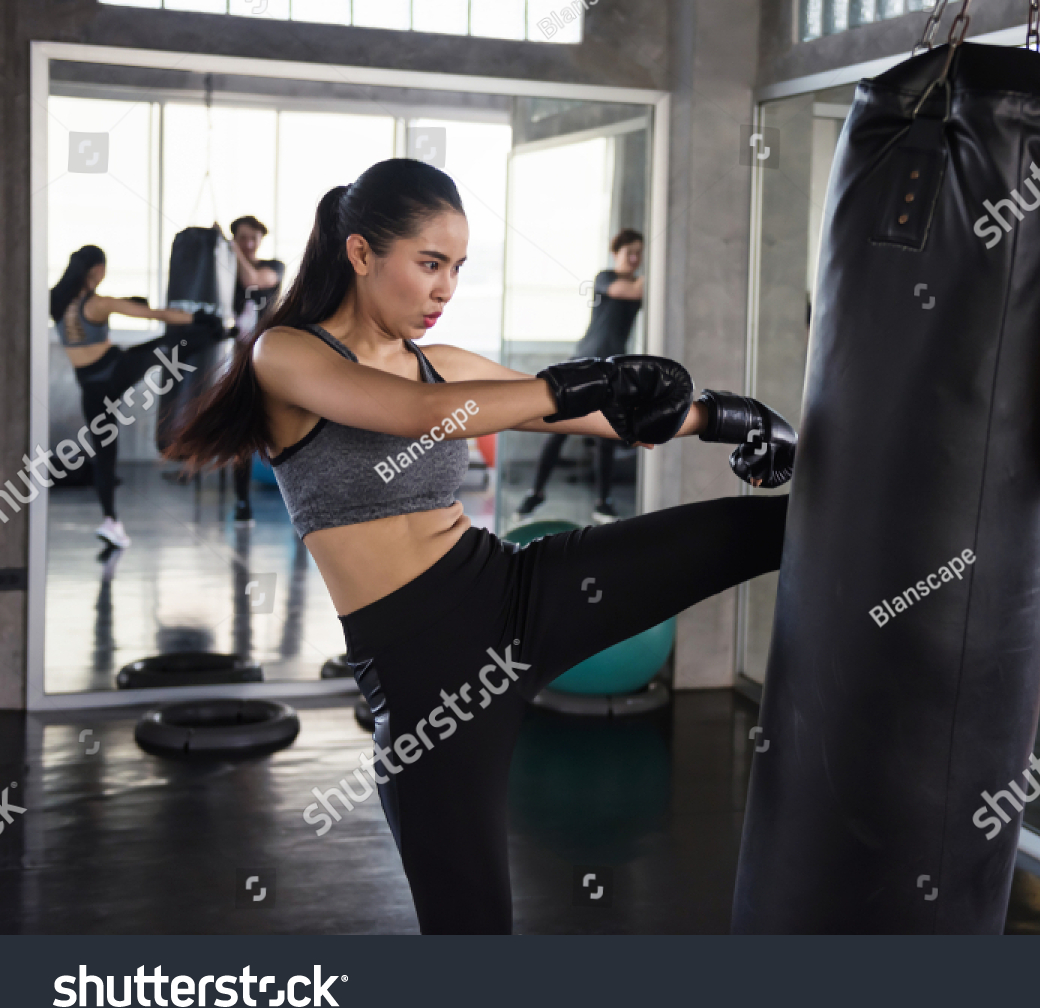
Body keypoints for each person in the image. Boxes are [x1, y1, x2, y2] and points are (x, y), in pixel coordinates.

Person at [168, 158, 795, 933]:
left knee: (759, 529)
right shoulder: (287, 356)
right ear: (362, 254)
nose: (445, 289)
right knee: (471, 931)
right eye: (429, 264)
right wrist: (581, 381)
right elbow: (413, 411)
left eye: (457, 268)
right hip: (425, 676)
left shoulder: (444, 363)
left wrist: (724, 418)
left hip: (515, 590)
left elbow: (573, 416)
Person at [51, 245, 220, 551]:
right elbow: (154, 314)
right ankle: (222, 331)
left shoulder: (55, 302)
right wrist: (197, 316)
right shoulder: (98, 303)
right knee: (169, 343)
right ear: (96, 271)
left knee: (104, 454)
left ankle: (110, 521)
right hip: (115, 371)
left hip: (91, 387)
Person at [517, 228, 646, 523]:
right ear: (617, 254)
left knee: (606, 433)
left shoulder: (637, 284)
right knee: (560, 427)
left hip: (613, 367)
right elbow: (629, 291)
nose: (635, 259)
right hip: (584, 361)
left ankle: (603, 503)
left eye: (639, 253)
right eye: (630, 253)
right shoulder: (606, 278)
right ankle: (536, 493)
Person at [227, 216, 285, 526]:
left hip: (270, 361)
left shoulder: (273, 267)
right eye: (243, 238)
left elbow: (253, 280)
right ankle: (241, 503)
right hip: (237, 366)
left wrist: (233, 249)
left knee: (283, 431)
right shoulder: (223, 274)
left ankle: (297, 499)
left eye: (253, 238)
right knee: (241, 437)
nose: (249, 244)